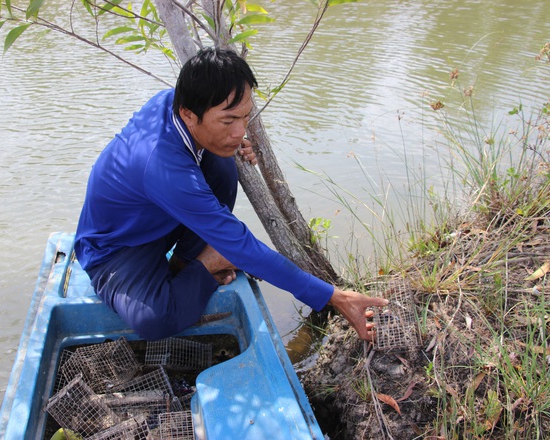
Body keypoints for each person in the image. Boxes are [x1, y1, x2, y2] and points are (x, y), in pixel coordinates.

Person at [74, 47, 387, 341]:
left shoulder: (171, 102)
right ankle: (211, 259)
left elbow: (206, 140)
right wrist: (335, 296)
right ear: (188, 114)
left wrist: (228, 140)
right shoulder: (161, 167)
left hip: (158, 216)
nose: (240, 130)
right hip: (117, 248)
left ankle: (186, 262)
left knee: (224, 160)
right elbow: (241, 243)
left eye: (245, 117)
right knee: (154, 321)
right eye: (228, 121)